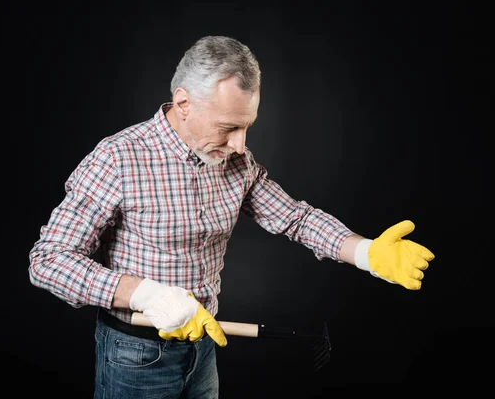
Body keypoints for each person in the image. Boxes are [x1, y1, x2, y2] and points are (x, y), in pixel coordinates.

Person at [28, 35, 435, 398]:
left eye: (247, 128)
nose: (241, 145)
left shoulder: (235, 161)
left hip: (206, 345)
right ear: (184, 103)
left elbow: (294, 218)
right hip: (136, 355)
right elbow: (49, 261)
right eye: (229, 128)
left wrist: (365, 252)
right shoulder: (118, 157)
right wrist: (146, 294)